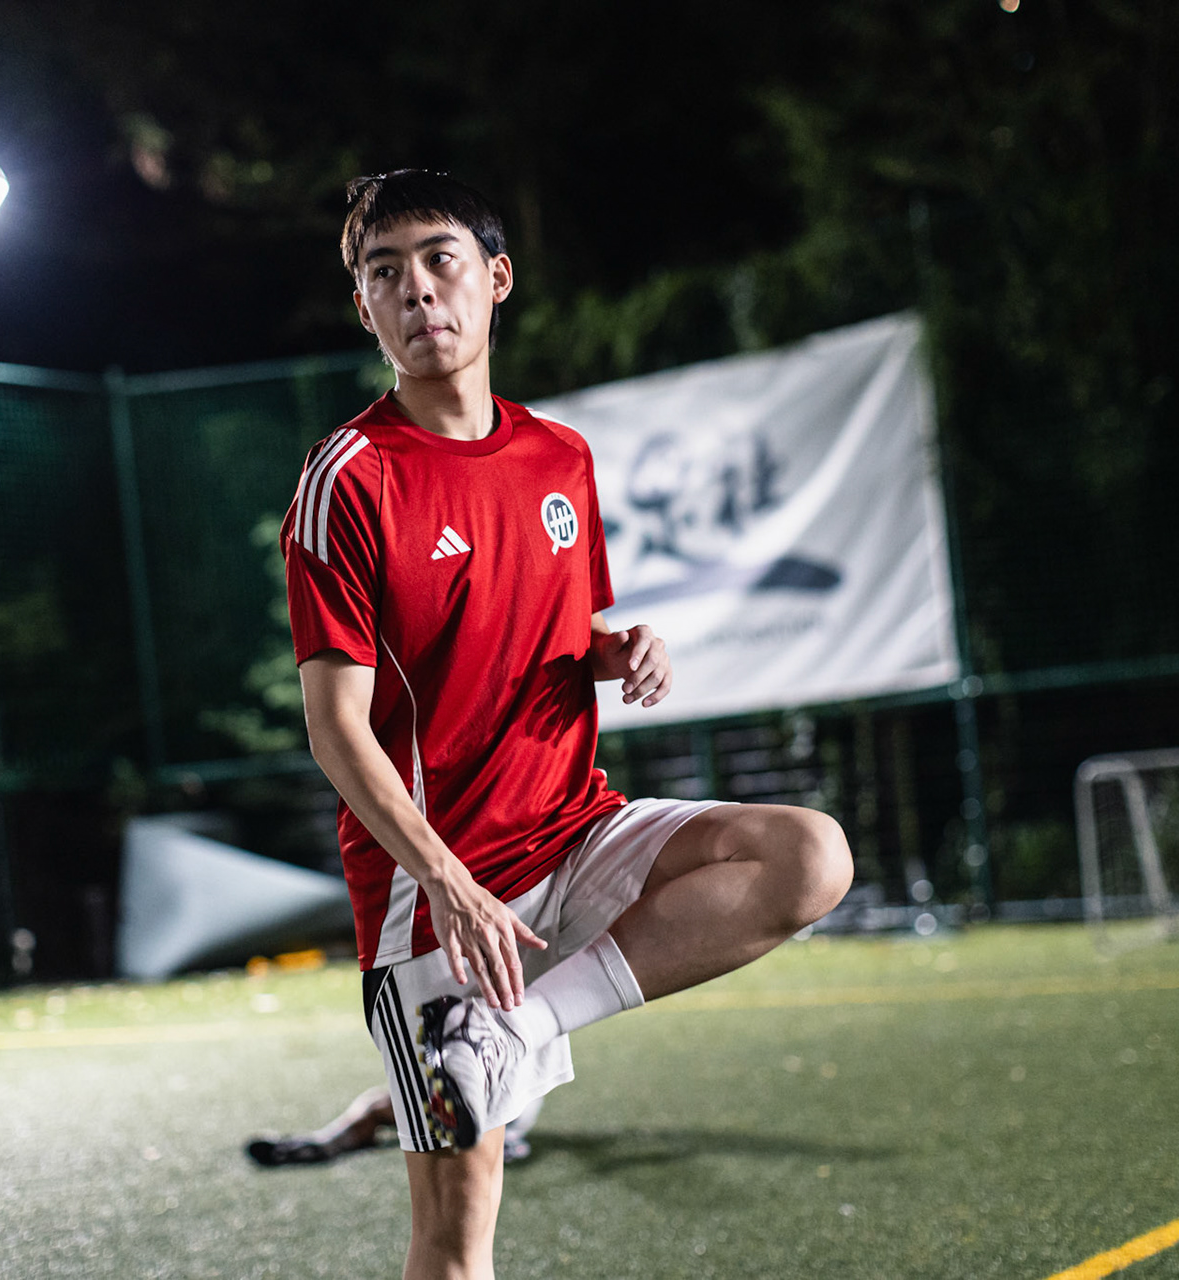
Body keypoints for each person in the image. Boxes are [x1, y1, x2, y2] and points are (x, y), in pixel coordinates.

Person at [282, 169, 852, 1279]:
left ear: (496, 279)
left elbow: (556, 626)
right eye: (383, 274)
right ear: (364, 309)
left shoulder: (560, 458)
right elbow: (335, 726)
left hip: (577, 826)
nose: (417, 293)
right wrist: (447, 881)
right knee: (455, 1246)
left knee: (807, 853)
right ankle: (482, 1027)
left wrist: (618, 646)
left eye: (440, 260)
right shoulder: (346, 480)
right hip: (435, 898)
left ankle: (524, 1028)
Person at [246, 1087, 543, 1168]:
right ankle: (325, 1142)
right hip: (502, 1100)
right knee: (377, 1104)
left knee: (377, 1105)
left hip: (503, 1099)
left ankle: (327, 1142)